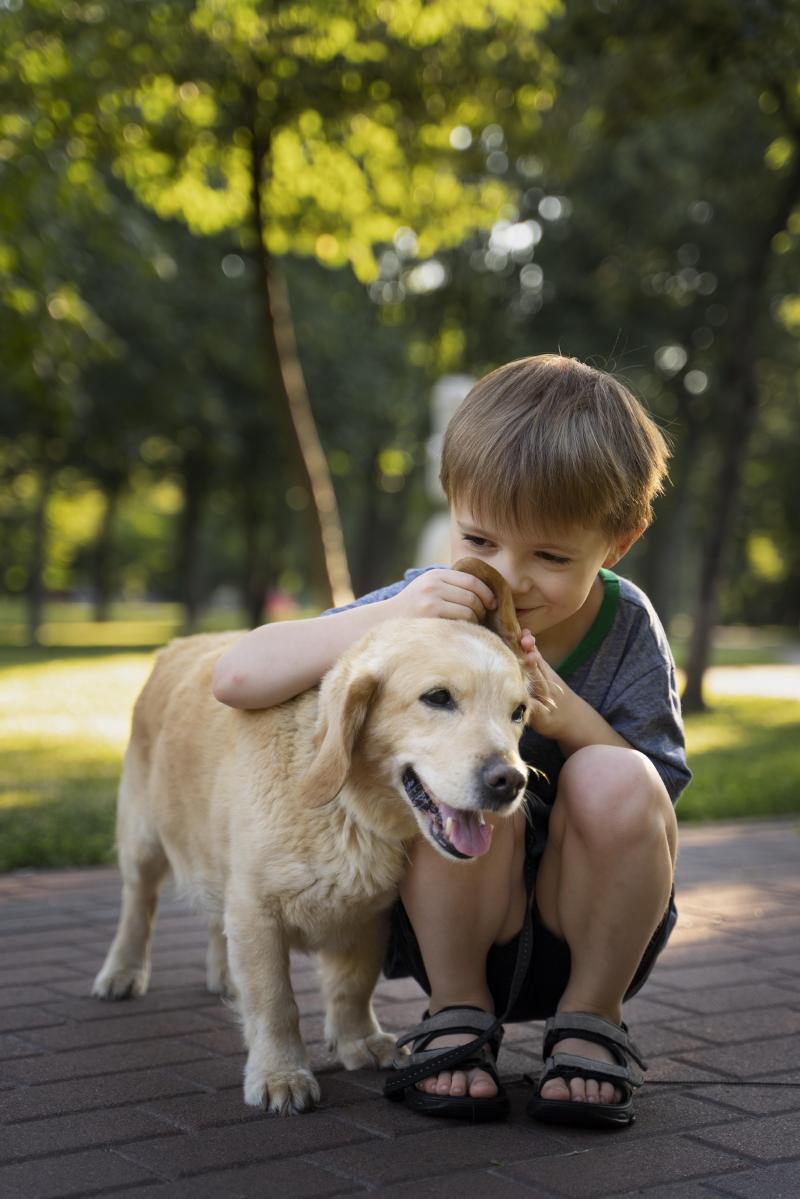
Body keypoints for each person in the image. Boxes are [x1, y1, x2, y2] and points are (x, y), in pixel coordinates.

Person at [212, 353, 689, 1128]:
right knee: (452, 778)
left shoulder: (628, 625)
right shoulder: (429, 606)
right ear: (452, 509)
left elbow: (654, 799)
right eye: (481, 538)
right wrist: (386, 617)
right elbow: (235, 677)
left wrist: (569, 720)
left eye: (551, 555)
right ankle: (458, 1012)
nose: (510, 576)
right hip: (454, 924)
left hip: (589, 925)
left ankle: (593, 1020)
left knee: (615, 774)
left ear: (621, 540)